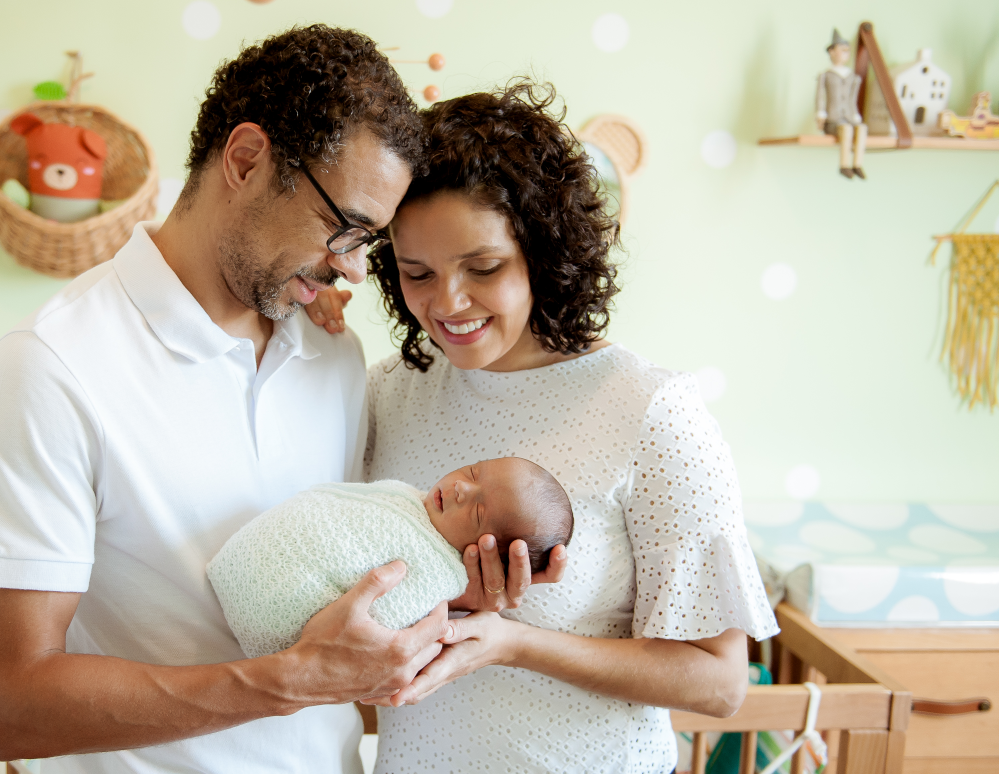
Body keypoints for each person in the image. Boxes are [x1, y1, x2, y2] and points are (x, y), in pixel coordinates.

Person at [0, 25, 465, 774]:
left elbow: (343, 598)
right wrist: (285, 684)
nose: (351, 272)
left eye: (368, 244)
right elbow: (5, 707)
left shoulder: (335, 355)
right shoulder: (51, 367)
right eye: (343, 228)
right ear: (247, 160)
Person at [310, 81, 779, 772]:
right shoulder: (387, 395)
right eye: (417, 273)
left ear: (544, 251)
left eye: (484, 267)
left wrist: (513, 643)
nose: (449, 303)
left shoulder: (651, 412)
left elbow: (718, 681)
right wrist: (296, 327)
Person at [208, 457, 574, 658]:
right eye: (473, 472)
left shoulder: (438, 575)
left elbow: (386, 622)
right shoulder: (409, 497)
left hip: (277, 611)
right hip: (251, 560)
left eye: (478, 513)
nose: (462, 488)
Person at [816, 28, 867, 179]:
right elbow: (820, 96)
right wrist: (820, 115)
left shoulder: (852, 77)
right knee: (846, 130)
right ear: (832, 52)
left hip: (849, 116)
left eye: (847, 51)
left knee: (862, 129)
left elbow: (852, 99)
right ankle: (844, 165)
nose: (846, 53)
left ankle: (857, 164)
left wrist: (856, 115)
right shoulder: (826, 75)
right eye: (842, 50)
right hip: (833, 120)